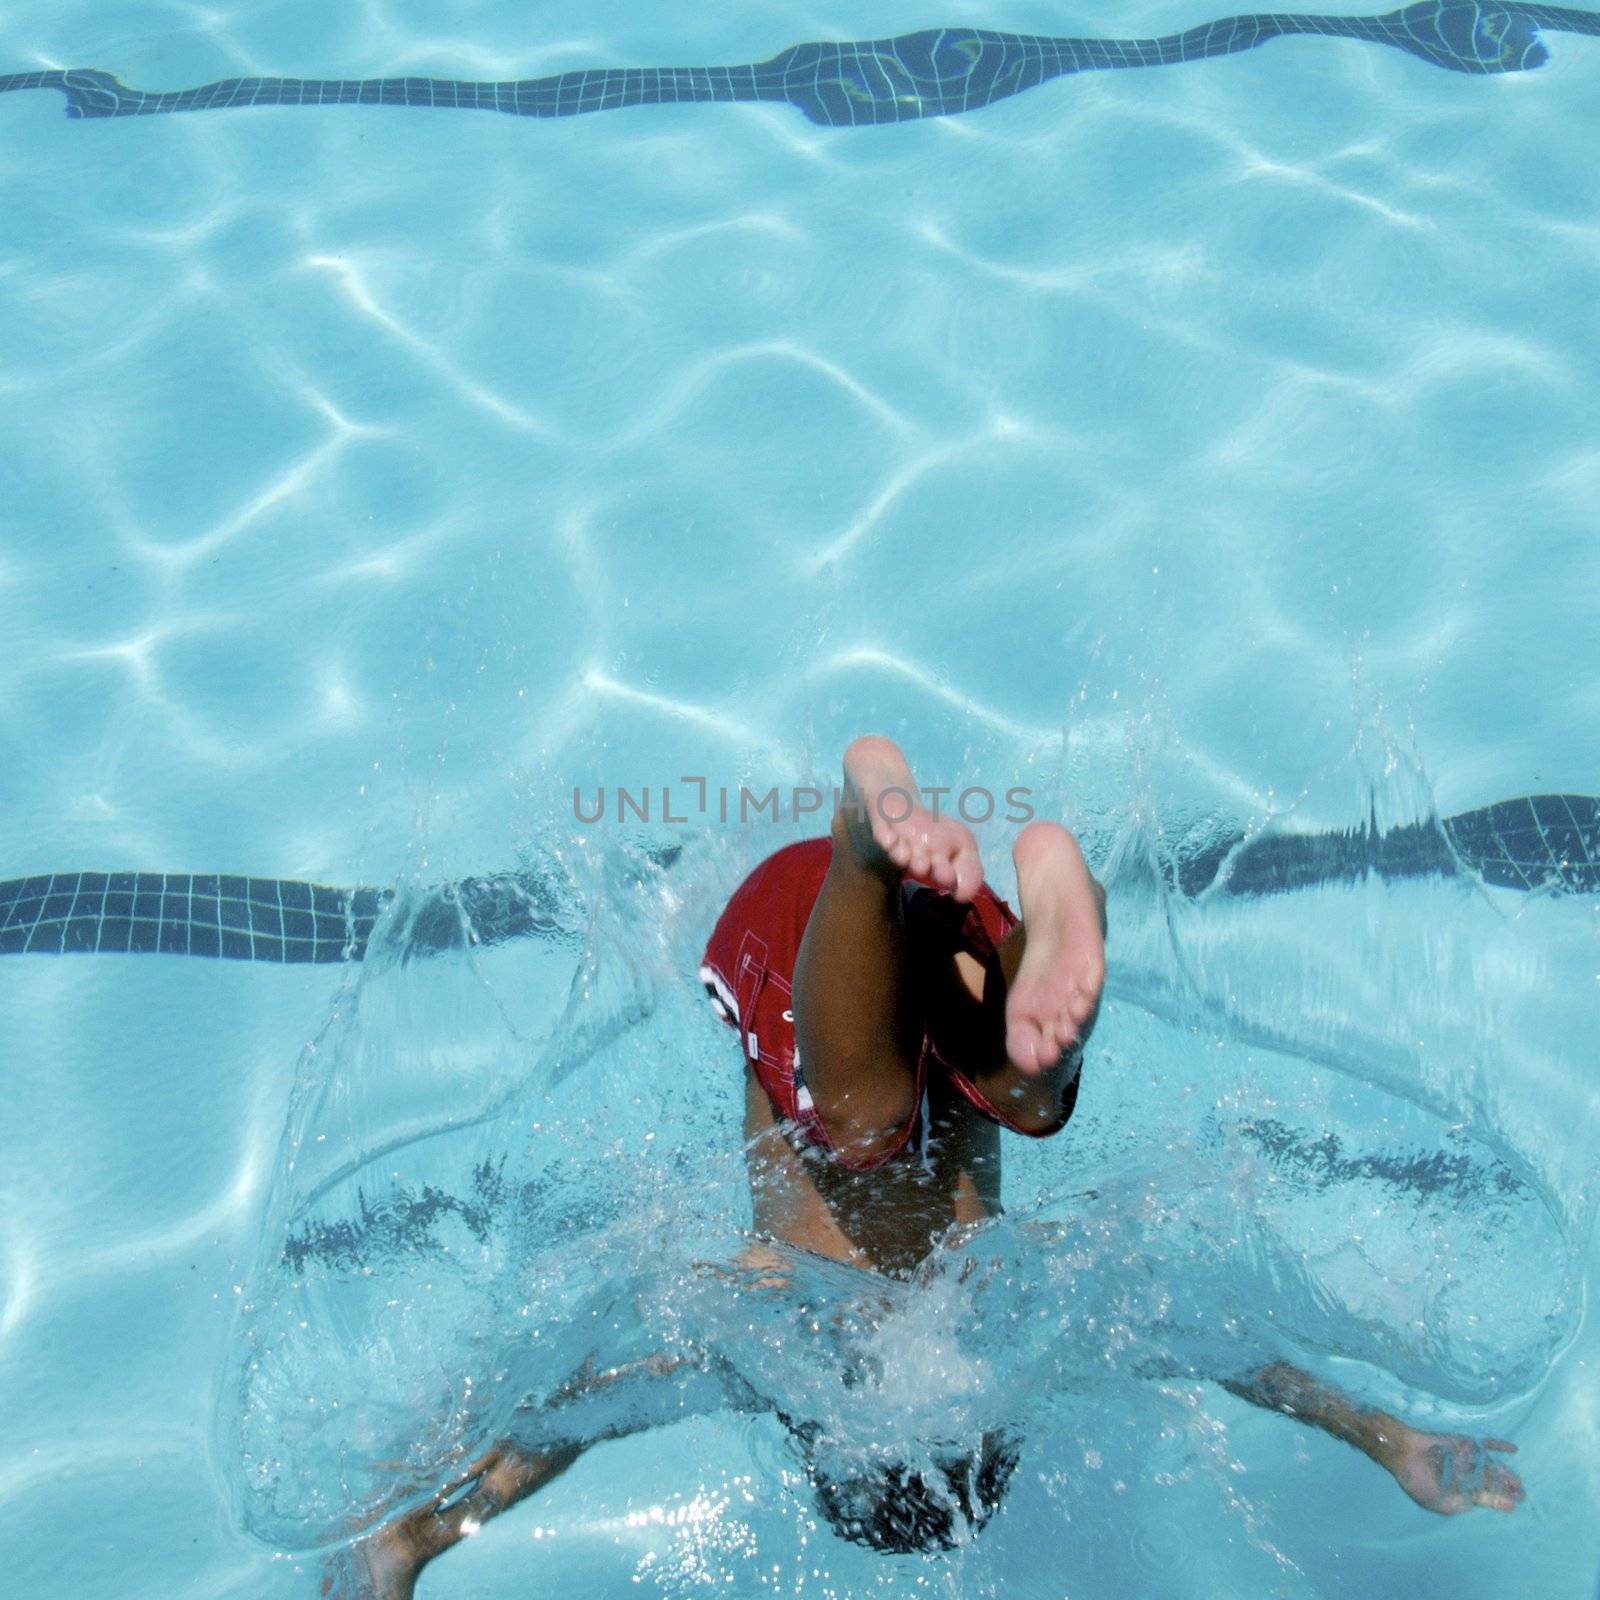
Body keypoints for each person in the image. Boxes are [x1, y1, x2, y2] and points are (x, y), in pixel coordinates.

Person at [332, 735, 1524, 1597]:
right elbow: (1231, 1346)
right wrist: (411, 1543)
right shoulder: (815, 1326)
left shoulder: (776, 1324)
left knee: (879, 1126)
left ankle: (873, 847)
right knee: (1023, 1085)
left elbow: (564, 1415)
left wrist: (410, 1540)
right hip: (925, 976)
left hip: (814, 958)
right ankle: (1040, 919)